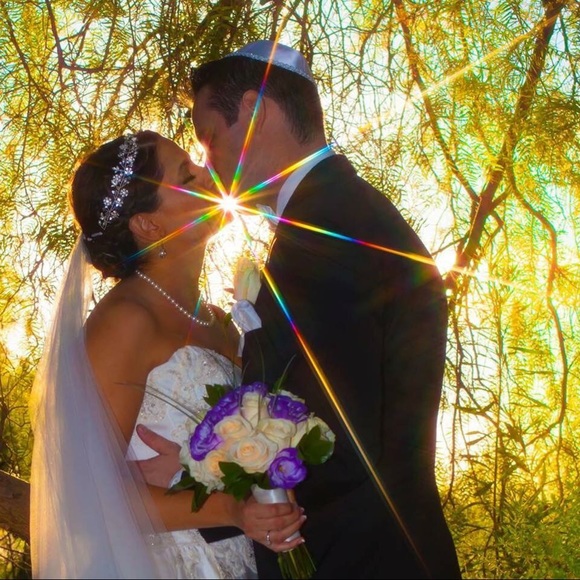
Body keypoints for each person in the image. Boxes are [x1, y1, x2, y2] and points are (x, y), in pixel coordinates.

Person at [136, 41, 463, 579]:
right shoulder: (337, 216)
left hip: (359, 561)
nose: (208, 164)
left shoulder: (328, 235)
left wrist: (200, 473)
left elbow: (331, 441)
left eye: (209, 138)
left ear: (254, 111)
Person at [28, 130, 305, 579]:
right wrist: (231, 508)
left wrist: (210, 468)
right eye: (187, 176)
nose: (207, 173)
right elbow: (83, 496)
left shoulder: (217, 317)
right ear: (148, 225)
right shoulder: (126, 322)